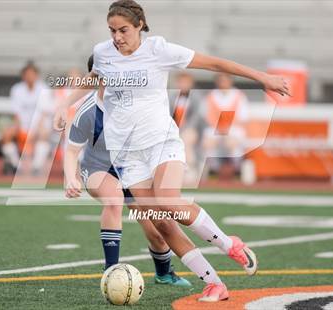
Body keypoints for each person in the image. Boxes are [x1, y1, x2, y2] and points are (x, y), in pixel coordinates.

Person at [55, 0, 290, 302]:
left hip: (161, 143)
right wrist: (66, 104)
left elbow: (216, 64)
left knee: (167, 200)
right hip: (127, 156)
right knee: (162, 221)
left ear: (140, 25)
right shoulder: (103, 52)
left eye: (123, 30)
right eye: (112, 30)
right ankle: (214, 283)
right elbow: (95, 78)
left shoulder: (159, 50)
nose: (117, 37)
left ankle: (229, 244)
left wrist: (263, 78)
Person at [64, 55, 191, 287]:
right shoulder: (88, 112)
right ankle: (111, 272)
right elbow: (72, 151)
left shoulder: (133, 104)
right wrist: (70, 178)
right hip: (97, 168)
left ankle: (164, 273)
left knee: (157, 229)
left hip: (131, 169)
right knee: (113, 200)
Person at [1, 61, 53, 175]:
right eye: (27, 74)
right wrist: (18, 128)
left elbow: (44, 112)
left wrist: (36, 129)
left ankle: (36, 166)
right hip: (22, 124)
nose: (29, 77)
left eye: (32, 74)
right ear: (23, 76)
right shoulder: (17, 89)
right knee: (6, 135)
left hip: (38, 124)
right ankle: (16, 165)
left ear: (36, 75)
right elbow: (16, 113)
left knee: (43, 133)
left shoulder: (43, 88)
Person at [201, 73, 249, 180]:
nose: (223, 82)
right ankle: (213, 170)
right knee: (208, 141)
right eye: (221, 79)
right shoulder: (210, 96)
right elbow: (207, 117)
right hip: (215, 128)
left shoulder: (239, 96)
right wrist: (220, 129)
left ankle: (237, 170)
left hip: (234, 128)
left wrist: (226, 129)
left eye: (225, 79)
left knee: (233, 141)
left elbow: (243, 118)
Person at [170, 71, 205, 184]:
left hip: (192, 130)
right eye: (181, 82)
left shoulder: (196, 97)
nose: (183, 84)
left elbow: (196, 118)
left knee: (186, 138)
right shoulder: (172, 97)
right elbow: (168, 115)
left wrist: (183, 130)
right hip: (174, 129)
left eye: (186, 82)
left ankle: (190, 169)